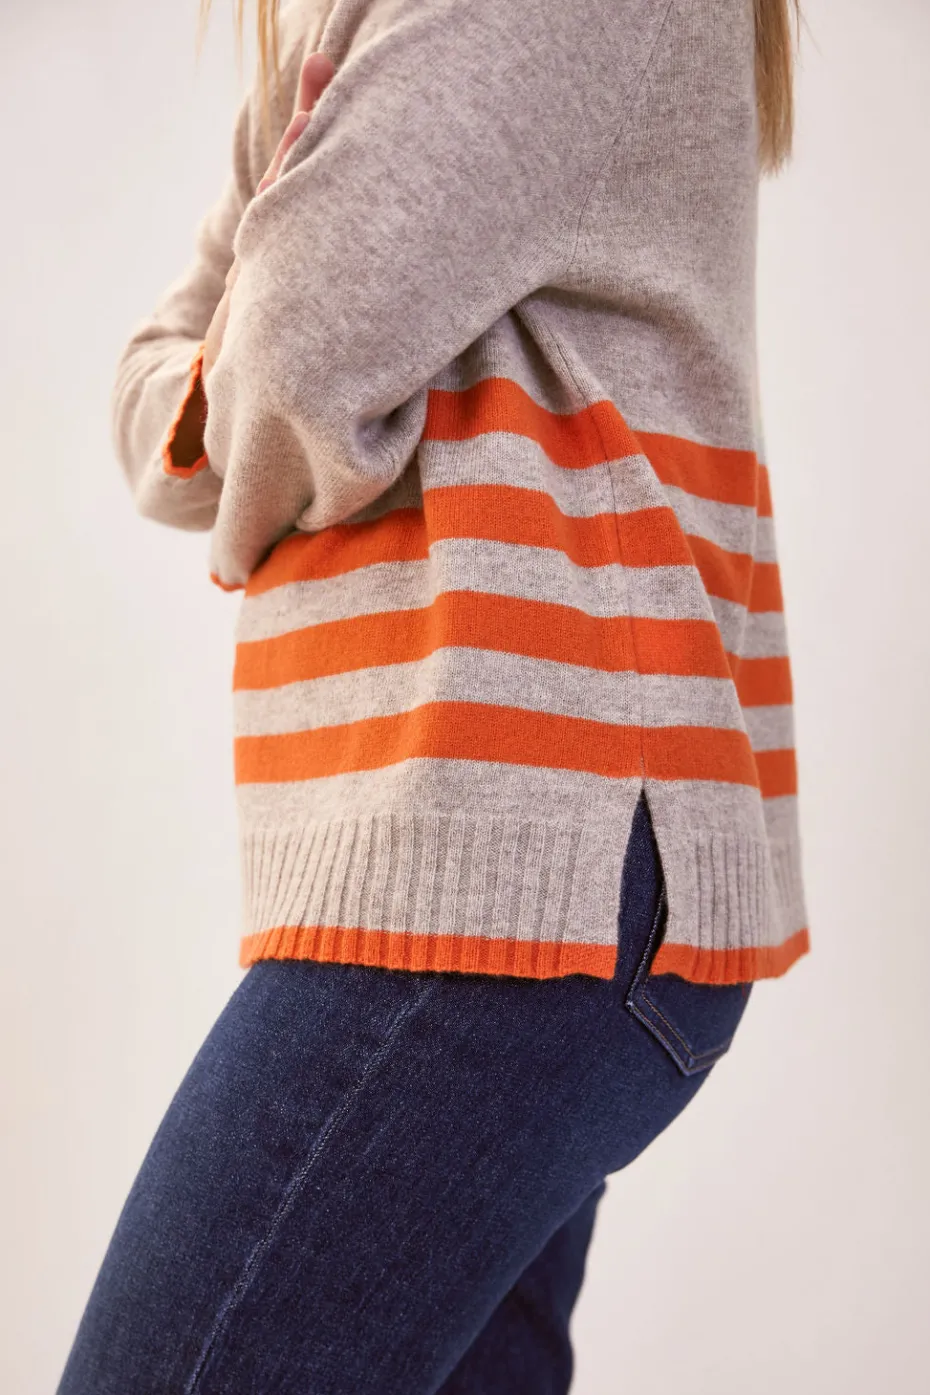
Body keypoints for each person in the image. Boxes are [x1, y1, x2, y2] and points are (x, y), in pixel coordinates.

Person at [57, 0, 808, 1390]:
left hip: (516, 860)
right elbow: (161, 384)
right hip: (492, 860)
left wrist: (250, 388)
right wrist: (248, 386)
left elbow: (289, 354)